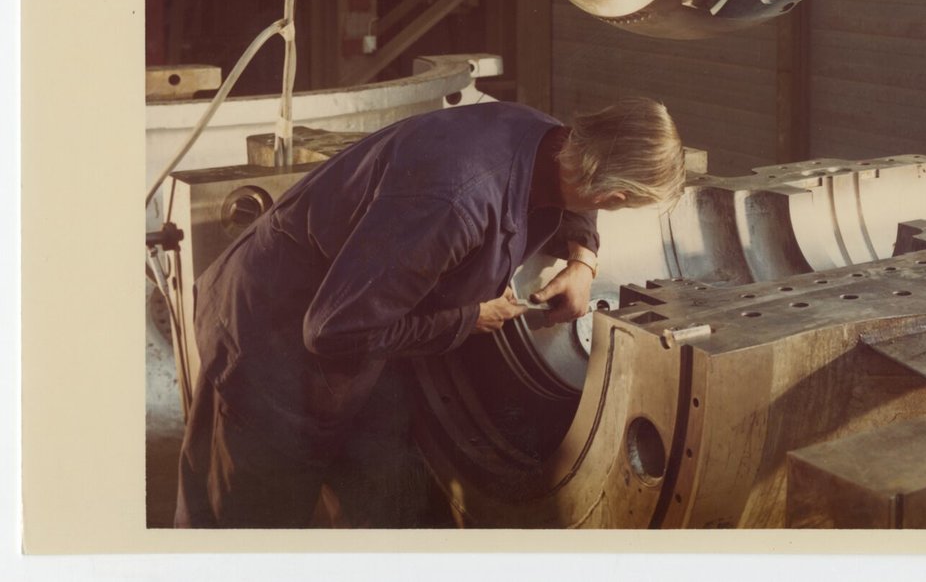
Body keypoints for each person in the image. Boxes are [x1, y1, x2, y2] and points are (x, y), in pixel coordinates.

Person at [174, 97, 685, 528]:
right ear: (614, 194)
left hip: (355, 316)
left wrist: (583, 259)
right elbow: (334, 331)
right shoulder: (455, 203)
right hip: (273, 336)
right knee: (249, 519)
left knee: (381, 484)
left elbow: (582, 186)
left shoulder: (551, 140)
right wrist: (469, 318)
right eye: (621, 204)